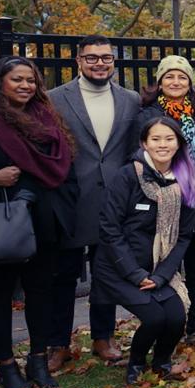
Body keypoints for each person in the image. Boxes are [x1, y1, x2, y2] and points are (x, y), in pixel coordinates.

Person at [0, 56, 77, 388]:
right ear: (0, 82)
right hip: (3, 219)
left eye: (31, 80)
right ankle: (6, 366)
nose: (26, 86)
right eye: (17, 79)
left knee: (41, 291)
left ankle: (37, 361)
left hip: (44, 217)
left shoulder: (46, 116)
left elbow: (63, 161)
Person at [47, 34, 141, 369]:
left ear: (113, 61)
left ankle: (103, 337)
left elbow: (134, 148)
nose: (99, 63)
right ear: (79, 61)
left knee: (107, 275)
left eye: (106, 57)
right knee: (63, 277)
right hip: (71, 201)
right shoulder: (55, 99)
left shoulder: (130, 99)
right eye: (92, 57)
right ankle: (58, 343)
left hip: (115, 202)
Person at [134, 56, 195, 352]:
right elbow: (142, 159)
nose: (176, 83)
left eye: (182, 77)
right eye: (169, 77)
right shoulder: (148, 115)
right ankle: (165, 328)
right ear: (160, 81)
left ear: (190, 82)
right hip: (167, 207)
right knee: (164, 267)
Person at [94, 117, 195, 384]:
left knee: (176, 318)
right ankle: (136, 362)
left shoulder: (185, 180)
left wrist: (162, 276)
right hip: (119, 268)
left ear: (178, 143)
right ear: (144, 144)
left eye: (168, 139)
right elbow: (109, 228)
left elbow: (184, 236)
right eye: (155, 139)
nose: (162, 144)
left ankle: (162, 361)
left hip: (158, 269)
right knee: (154, 318)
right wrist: (134, 273)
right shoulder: (129, 175)